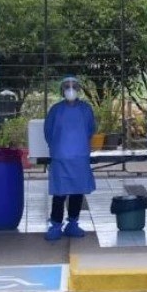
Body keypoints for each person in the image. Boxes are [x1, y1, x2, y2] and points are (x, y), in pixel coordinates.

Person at [42, 76, 96, 241]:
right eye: (67, 86)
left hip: (79, 156)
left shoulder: (86, 109)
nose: (70, 89)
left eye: (73, 86)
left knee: (77, 192)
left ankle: (73, 223)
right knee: (59, 193)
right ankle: (56, 225)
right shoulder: (55, 110)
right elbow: (48, 132)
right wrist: (58, 147)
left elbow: (90, 130)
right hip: (60, 157)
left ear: (79, 89)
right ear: (62, 90)